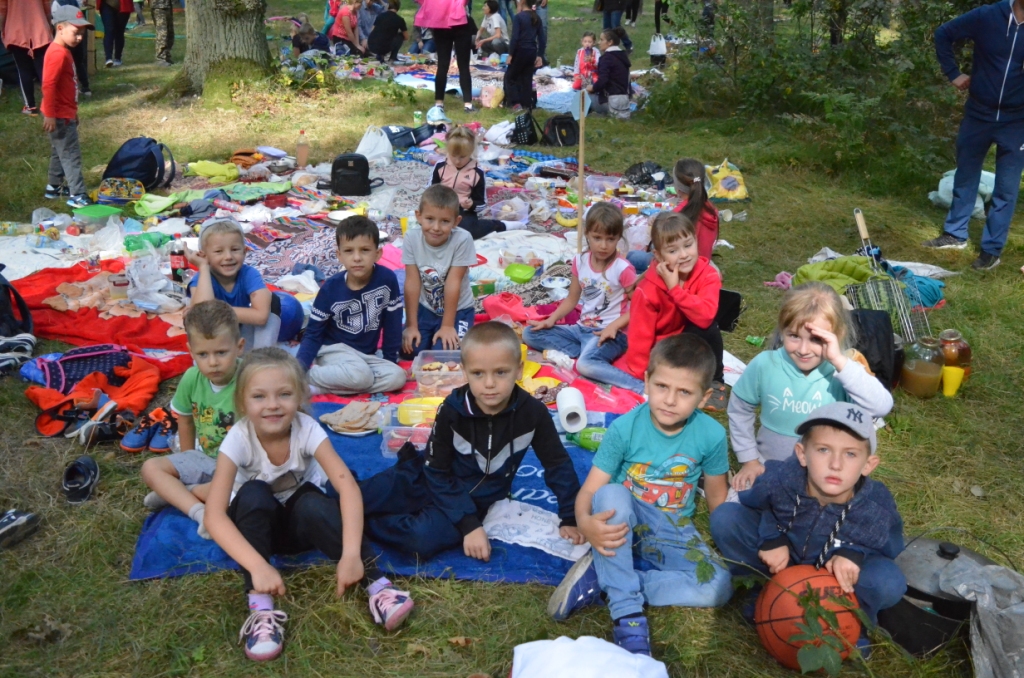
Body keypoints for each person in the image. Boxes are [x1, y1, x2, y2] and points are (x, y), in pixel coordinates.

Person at [204, 348, 415, 662]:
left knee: (313, 502)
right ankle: (261, 608)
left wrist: (351, 555)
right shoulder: (237, 438)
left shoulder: (307, 428)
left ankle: (377, 584)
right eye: (259, 396)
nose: (273, 405)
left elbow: (347, 487)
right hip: (257, 534)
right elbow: (214, 516)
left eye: (284, 394)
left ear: (301, 397)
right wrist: (258, 566)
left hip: (301, 527)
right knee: (253, 494)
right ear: (242, 403)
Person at [547, 334, 733, 656]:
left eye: (685, 392)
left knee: (719, 585)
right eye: (662, 386)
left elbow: (717, 498)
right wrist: (584, 523)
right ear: (646, 382)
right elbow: (590, 490)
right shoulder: (624, 428)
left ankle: (608, 581)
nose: (670, 400)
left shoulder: (712, 435)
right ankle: (627, 615)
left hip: (672, 529)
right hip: (621, 524)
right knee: (611, 493)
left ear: (704, 397)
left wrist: (729, 547)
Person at [359, 322, 584, 561]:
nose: (489, 383)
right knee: (357, 496)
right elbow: (435, 470)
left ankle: (363, 524)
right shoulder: (451, 410)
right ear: (465, 373)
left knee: (420, 539)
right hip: (424, 477)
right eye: (478, 373)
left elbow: (557, 464)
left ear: (518, 370)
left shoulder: (534, 414)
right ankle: (348, 513)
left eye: (501, 372)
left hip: (473, 501)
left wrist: (570, 516)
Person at [710, 402, 907, 650]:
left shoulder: (876, 504)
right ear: (802, 454)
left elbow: (888, 547)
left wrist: (855, 552)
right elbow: (758, 505)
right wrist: (772, 537)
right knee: (726, 517)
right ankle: (762, 588)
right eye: (823, 450)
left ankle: (853, 620)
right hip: (785, 560)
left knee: (888, 581)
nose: (836, 464)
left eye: (850, 454)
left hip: (837, 577)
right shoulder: (781, 479)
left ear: (868, 465)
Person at [728, 282, 894, 493]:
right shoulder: (764, 364)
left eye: (816, 339)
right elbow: (740, 409)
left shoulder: (846, 372)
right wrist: (749, 459)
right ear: (782, 330)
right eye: (794, 336)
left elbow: (881, 406)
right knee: (734, 508)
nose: (804, 349)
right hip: (768, 471)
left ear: (838, 335)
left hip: (825, 481)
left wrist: (839, 361)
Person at [923, 0, 1024, 271]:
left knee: (1006, 187)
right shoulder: (989, 16)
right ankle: (955, 234)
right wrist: (953, 73)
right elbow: (943, 33)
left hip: (1017, 121)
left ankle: (991, 251)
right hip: (979, 113)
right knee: (966, 173)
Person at [140, 300, 243, 539]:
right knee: (150, 468)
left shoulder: (249, 379)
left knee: (247, 495)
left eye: (221, 352)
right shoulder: (191, 378)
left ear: (239, 347)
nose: (213, 362)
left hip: (240, 468)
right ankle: (199, 512)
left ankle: (182, 493)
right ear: (190, 350)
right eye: (203, 354)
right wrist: (187, 460)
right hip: (206, 458)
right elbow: (185, 420)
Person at [609, 212, 726, 407]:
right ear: (658, 255)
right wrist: (642, 375)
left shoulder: (708, 274)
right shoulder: (648, 289)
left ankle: (716, 381)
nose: (684, 255)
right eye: (673, 250)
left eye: (688, 245)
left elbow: (705, 316)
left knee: (709, 328)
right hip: (663, 346)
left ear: (696, 241)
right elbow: (640, 336)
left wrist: (675, 290)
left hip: (689, 335)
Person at [524, 202, 636, 390]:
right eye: (597, 238)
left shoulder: (623, 268)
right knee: (530, 334)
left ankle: (639, 387)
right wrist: (551, 320)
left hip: (610, 334)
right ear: (587, 234)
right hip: (582, 329)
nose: (603, 245)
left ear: (618, 238)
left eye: (610, 239)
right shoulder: (580, 260)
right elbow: (572, 298)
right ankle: (587, 353)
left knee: (584, 366)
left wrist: (614, 326)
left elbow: (639, 306)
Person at [296, 216, 407, 395]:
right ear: (339, 255)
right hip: (333, 351)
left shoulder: (387, 279)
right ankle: (309, 378)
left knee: (397, 377)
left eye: (365, 250)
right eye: (349, 251)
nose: (357, 258)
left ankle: (325, 386)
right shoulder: (330, 288)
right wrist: (299, 369)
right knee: (361, 376)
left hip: (366, 355)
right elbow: (313, 333)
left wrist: (389, 361)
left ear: (377, 254)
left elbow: (393, 324)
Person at [186, 218, 302, 350]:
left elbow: (261, 316)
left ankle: (262, 356)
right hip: (213, 344)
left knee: (272, 300)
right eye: (218, 251)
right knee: (194, 314)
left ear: (244, 251)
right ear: (203, 256)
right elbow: (202, 316)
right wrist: (203, 267)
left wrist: (216, 311)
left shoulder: (248, 274)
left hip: (241, 336)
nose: (228, 257)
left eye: (235, 249)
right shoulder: (201, 278)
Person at [401, 184, 478, 356]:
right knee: (410, 350)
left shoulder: (463, 239)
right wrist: (411, 326)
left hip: (458, 310)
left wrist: (448, 326)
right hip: (426, 308)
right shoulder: (412, 238)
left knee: (447, 354)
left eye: (444, 221)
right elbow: (412, 282)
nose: (436, 227)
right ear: (418, 216)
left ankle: (449, 329)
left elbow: (453, 282)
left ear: (456, 221)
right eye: (430, 219)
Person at [628, 157, 719, 274]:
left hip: (680, 266)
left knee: (632, 257)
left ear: (678, 187)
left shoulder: (678, 215)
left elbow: (662, 247)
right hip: (702, 262)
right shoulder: (711, 209)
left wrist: (657, 225)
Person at [41, 4, 91, 209]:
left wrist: (74, 111)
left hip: (65, 112)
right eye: (76, 33)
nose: (79, 38)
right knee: (70, 154)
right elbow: (48, 85)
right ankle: (78, 194)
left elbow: (68, 86)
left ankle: (53, 186)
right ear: (60, 28)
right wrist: (50, 114)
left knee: (59, 149)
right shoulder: (57, 54)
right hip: (59, 114)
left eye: (82, 34)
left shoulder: (64, 51)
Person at [430, 126, 511, 239]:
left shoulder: (477, 172)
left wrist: (471, 205)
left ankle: (500, 225)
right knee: (425, 225)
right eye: (453, 156)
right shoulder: (440, 166)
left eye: (462, 157)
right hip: (440, 207)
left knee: (466, 232)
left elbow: (481, 203)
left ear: (471, 152)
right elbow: (430, 191)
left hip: (463, 211)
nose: (457, 161)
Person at [416, 0, 475, 113]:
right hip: (460, 22)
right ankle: (468, 105)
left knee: (442, 66)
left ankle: (439, 103)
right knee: (463, 66)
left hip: (440, 23)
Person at [0, 0, 52, 115]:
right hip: (40, 31)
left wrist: (2, 30)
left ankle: (30, 106)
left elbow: (2, 10)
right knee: (43, 71)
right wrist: (49, 25)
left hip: (16, 32)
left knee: (23, 70)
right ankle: (51, 105)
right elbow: (47, 7)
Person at [504, 0, 544, 111]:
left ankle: (515, 103)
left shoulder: (519, 17)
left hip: (520, 50)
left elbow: (515, 38)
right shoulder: (536, 18)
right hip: (532, 51)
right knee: (526, 79)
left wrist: (510, 54)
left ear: (523, 2)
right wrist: (540, 55)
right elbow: (542, 38)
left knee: (510, 77)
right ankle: (527, 104)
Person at [587, 28, 631, 119]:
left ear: (610, 42)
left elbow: (602, 81)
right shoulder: (623, 57)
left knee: (584, 93)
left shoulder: (606, 59)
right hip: (625, 102)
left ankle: (581, 116)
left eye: (601, 40)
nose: (599, 42)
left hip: (611, 102)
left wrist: (593, 88)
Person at [51, 0, 89, 96]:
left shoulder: (56, 3)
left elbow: (54, 21)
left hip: (66, 40)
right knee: (78, 63)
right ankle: (85, 86)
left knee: (72, 64)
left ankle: (80, 87)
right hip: (73, 42)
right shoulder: (75, 1)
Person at [99, 0, 131, 67]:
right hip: (106, 4)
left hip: (124, 4)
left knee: (119, 31)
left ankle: (118, 58)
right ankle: (108, 58)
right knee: (109, 30)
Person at [151, 0, 173, 66]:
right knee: (162, 33)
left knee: (170, 32)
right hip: (158, 6)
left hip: (167, 5)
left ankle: (166, 55)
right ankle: (160, 58)